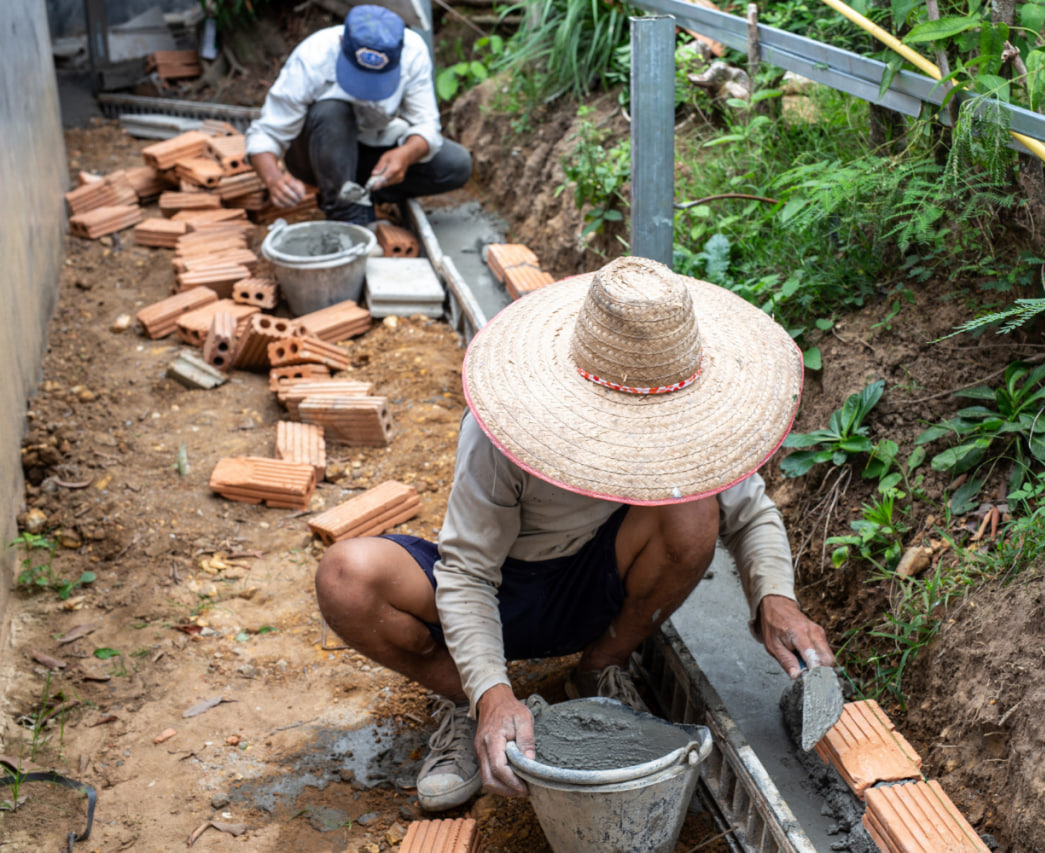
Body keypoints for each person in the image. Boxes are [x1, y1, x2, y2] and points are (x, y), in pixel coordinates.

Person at [314, 256, 835, 811]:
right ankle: (477, 708)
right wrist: (490, 692)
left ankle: (599, 670)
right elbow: (467, 573)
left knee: (694, 513)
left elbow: (750, 513)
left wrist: (775, 598)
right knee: (347, 576)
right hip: (498, 586)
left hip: (594, 585)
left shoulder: (690, 424)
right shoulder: (506, 423)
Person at [245, 4, 472, 224]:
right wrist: (273, 179)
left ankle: (359, 195)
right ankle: (345, 214)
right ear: (342, 42)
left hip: (368, 153)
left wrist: (405, 154)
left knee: (455, 165)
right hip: (316, 155)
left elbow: (427, 126)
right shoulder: (313, 57)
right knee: (331, 111)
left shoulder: (414, 53)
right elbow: (266, 132)